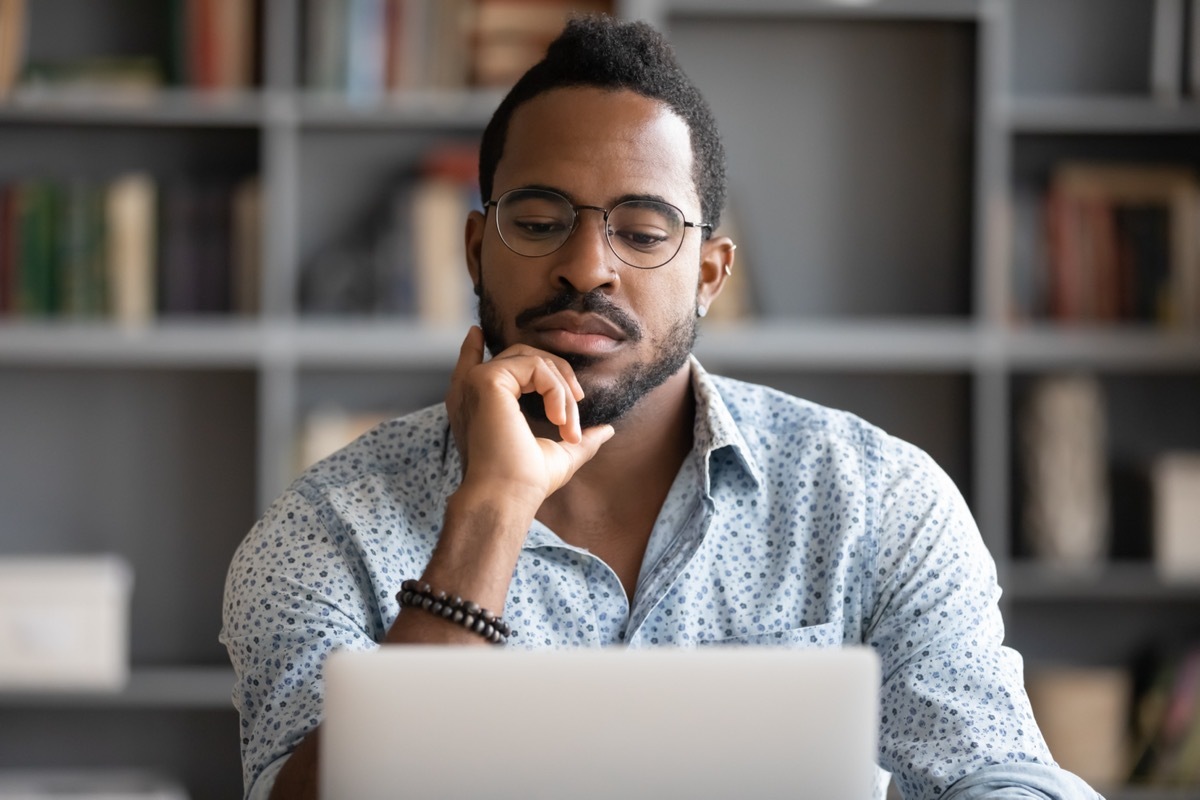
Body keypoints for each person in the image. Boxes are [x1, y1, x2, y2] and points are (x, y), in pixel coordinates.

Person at [221, 14, 1102, 800]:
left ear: (711, 275)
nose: (587, 267)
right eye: (537, 220)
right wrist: (486, 516)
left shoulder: (881, 501)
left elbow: (999, 774)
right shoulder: (323, 532)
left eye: (642, 232)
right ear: (476, 250)